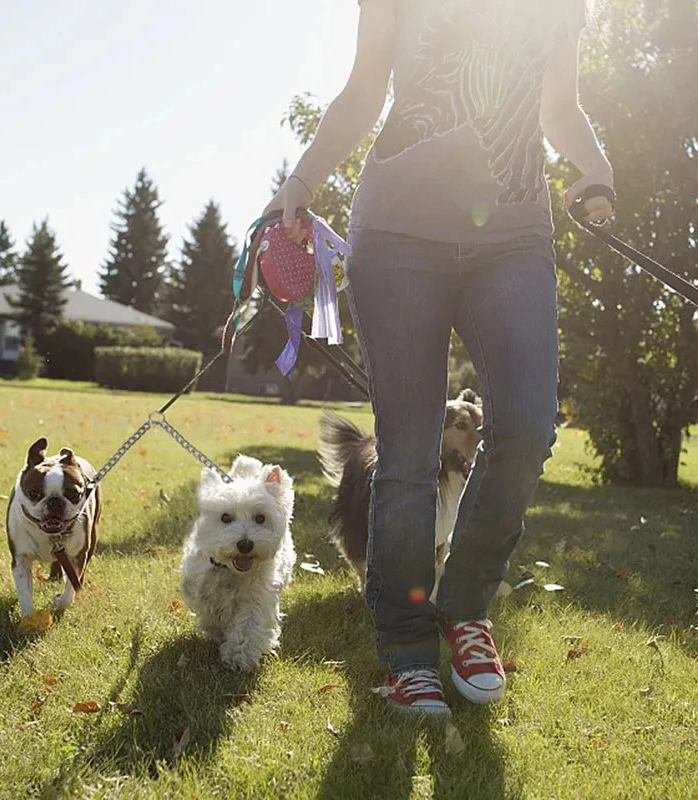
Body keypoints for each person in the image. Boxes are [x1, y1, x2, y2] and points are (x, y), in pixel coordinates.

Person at [264, 0, 614, 715]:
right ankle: (405, 647)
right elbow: (366, 90)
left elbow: (561, 107)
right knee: (409, 450)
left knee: (524, 423)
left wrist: (597, 170)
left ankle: (464, 609)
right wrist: (302, 182)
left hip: (513, 229)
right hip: (398, 231)